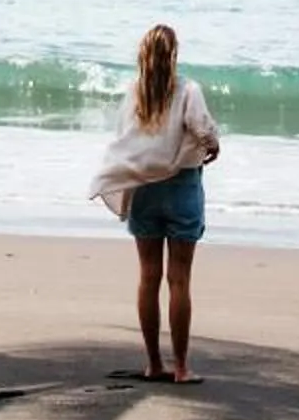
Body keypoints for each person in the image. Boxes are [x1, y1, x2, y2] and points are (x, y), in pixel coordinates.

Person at [89, 23, 220, 382]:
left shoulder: (135, 92)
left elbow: (124, 138)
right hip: (182, 188)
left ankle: (153, 363)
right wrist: (214, 144)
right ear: (174, 55)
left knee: (148, 277)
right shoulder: (188, 89)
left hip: (145, 189)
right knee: (179, 280)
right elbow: (202, 128)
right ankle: (181, 367)